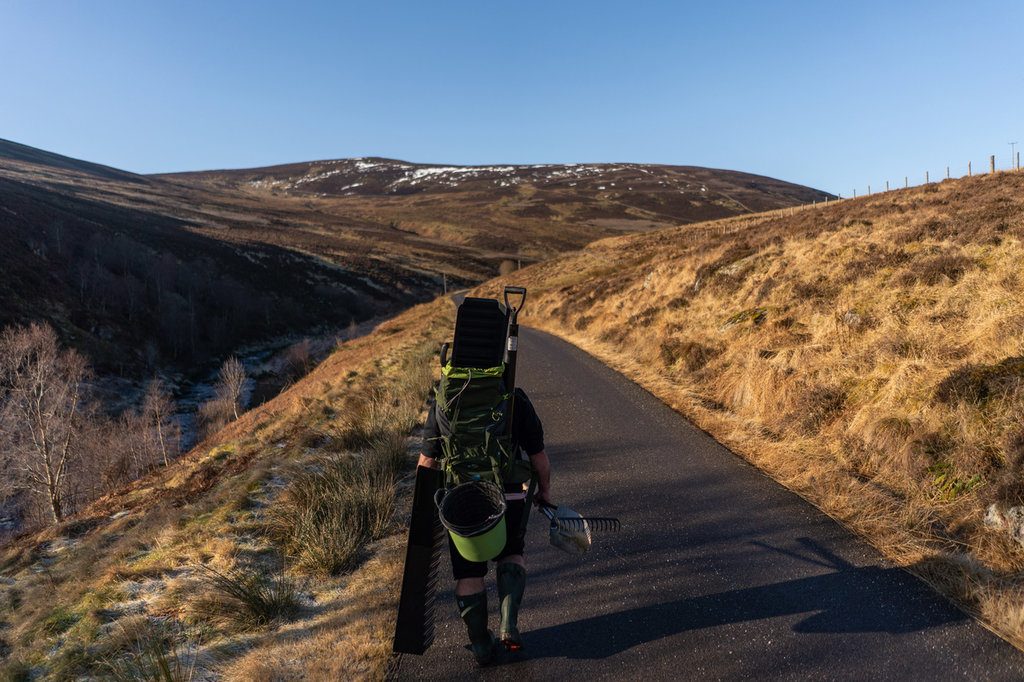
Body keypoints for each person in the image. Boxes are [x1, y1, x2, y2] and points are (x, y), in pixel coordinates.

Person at [418, 387, 551, 665]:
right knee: (511, 554)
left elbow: (427, 462)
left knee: (468, 573)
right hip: (508, 494)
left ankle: (480, 643)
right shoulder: (514, 398)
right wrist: (545, 491)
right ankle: (508, 626)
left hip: (460, 499)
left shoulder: (443, 400)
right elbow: (538, 456)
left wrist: (423, 510)